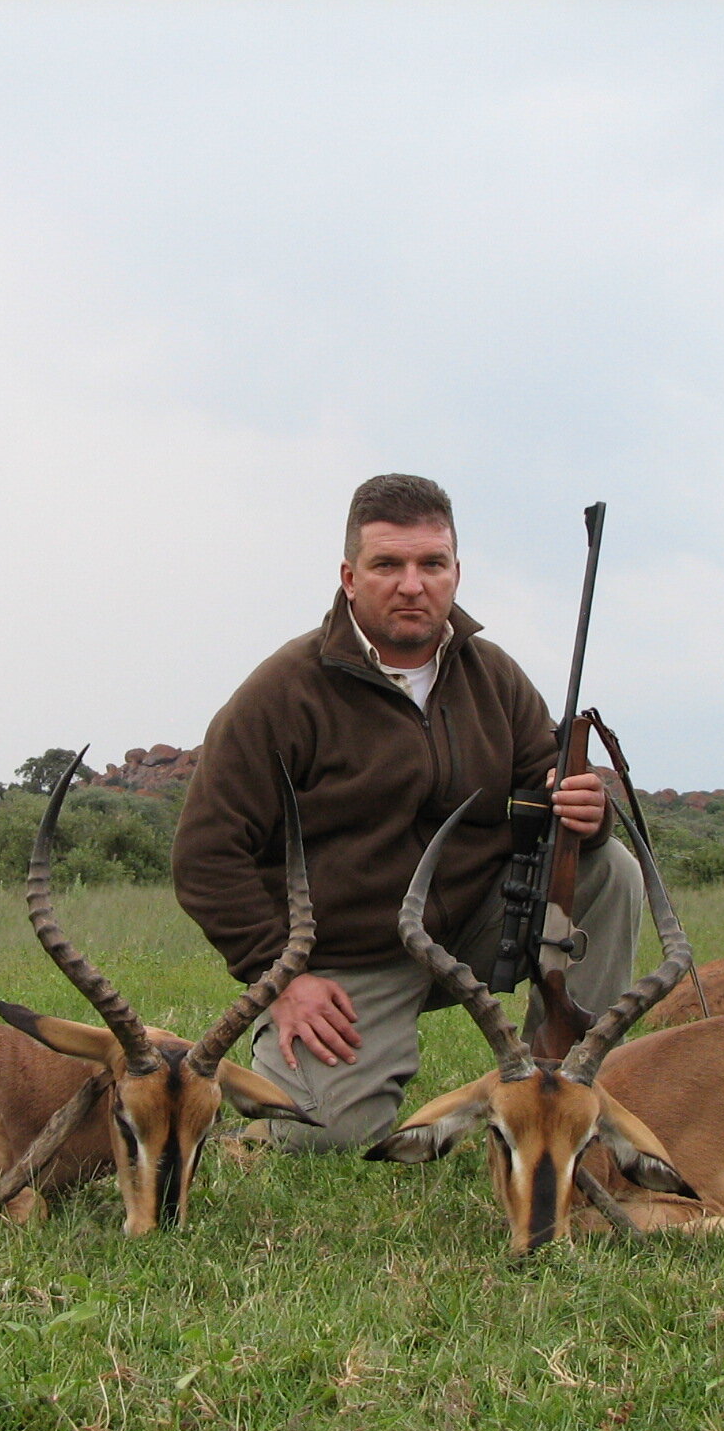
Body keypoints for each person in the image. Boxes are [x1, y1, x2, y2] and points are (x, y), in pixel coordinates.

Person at [172, 473, 643, 1150]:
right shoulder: (284, 692)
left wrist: (586, 809)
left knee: (611, 872)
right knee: (320, 1141)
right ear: (350, 575)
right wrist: (283, 977)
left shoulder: (494, 677)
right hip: (348, 955)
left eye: (432, 564)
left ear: (456, 572)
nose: (412, 584)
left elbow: (547, 806)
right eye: (387, 564)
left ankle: (565, 1086)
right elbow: (205, 855)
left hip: (477, 927)